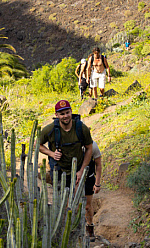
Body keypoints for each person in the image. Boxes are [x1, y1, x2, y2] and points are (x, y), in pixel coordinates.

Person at [38, 100, 95, 238]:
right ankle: (66, 232)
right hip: (60, 171)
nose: (65, 116)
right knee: (64, 203)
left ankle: (89, 228)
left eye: (67, 112)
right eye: (62, 114)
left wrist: (82, 170)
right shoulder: (50, 129)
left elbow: (89, 148)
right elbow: (36, 145)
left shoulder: (81, 128)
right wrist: (51, 154)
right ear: (57, 115)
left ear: (71, 112)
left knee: (86, 204)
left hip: (80, 169)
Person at [85, 140, 104, 240]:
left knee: (87, 206)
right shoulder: (71, 143)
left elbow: (98, 164)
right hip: (73, 178)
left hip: (89, 177)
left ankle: (90, 228)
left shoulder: (93, 145)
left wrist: (97, 183)